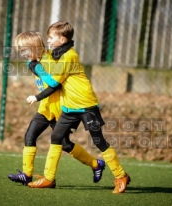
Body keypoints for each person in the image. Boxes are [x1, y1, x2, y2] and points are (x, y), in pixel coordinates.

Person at [28, 21, 130, 194]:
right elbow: (45, 63)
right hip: (69, 107)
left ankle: (121, 176)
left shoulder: (69, 56)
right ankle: (48, 178)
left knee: (98, 140)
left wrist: (36, 78)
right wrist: (33, 58)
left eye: (51, 37)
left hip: (86, 105)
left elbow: (53, 82)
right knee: (56, 136)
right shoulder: (58, 54)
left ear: (62, 38)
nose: (49, 40)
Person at [7, 31, 105, 187]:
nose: (22, 54)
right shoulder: (32, 62)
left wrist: (37, 87)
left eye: (24, 50)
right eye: (20, 50)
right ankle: (26, 175)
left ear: (35, 47)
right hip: (45, 109)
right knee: (29, 136)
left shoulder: (51, 60)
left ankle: (96, 164)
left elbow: (55, 84)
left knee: (65, 145)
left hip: (60, 109)